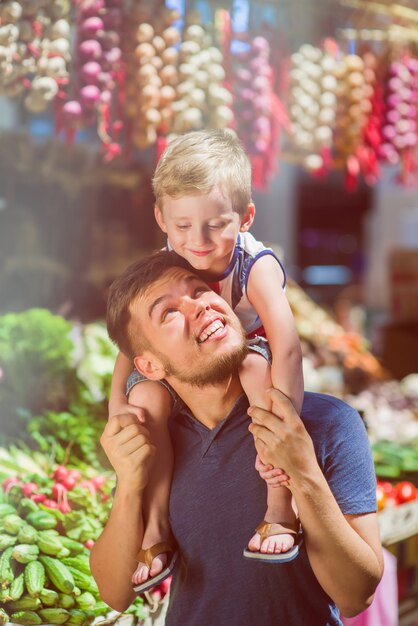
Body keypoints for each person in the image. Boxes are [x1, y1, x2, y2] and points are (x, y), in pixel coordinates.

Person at [90, 251, 383, 626]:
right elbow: (114, 593)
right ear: (149, 366)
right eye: (169, 312)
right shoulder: (157, 439)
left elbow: (357, 595)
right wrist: (130, 486)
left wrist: (303, 470)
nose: (199, 307)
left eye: (198, 290)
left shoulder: (328, 422)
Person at [108, 129, 304, 590]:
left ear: (246, 217)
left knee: (255, 367)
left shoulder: (255, 265)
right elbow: (133, 349)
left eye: (216, 224)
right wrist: (118, 407)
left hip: (245, 353)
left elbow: (288, 345)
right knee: (150, 397)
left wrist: (286, 419)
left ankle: (280, 506)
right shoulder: (168, 262)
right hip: (190, 367)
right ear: (160, 217)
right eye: (182, 226)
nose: (198, 241)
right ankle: (156, 528)